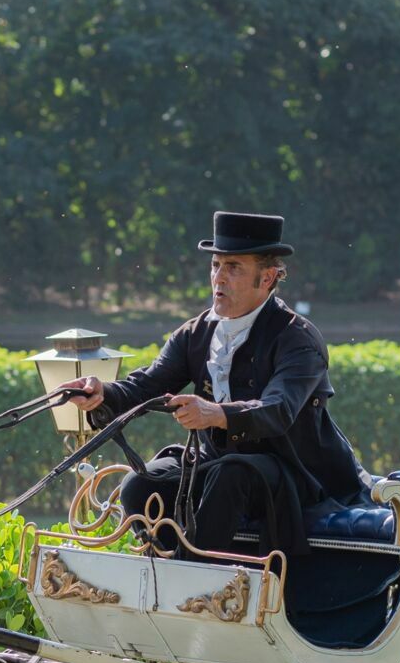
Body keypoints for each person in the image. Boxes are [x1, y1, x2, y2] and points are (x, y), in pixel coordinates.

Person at [65, 211, 365, 556]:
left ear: (267, 278)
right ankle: (164, 571)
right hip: (217, 464)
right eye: (215, 266)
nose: (218, 278)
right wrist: (103, 392)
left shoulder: (299, 339)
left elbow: (279, 410)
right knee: (139, 484)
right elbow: (148, 385)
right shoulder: (195, 333)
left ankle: (197, 586)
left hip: (293, 475)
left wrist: (217, 414)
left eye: (233, 267)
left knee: (232, 474)